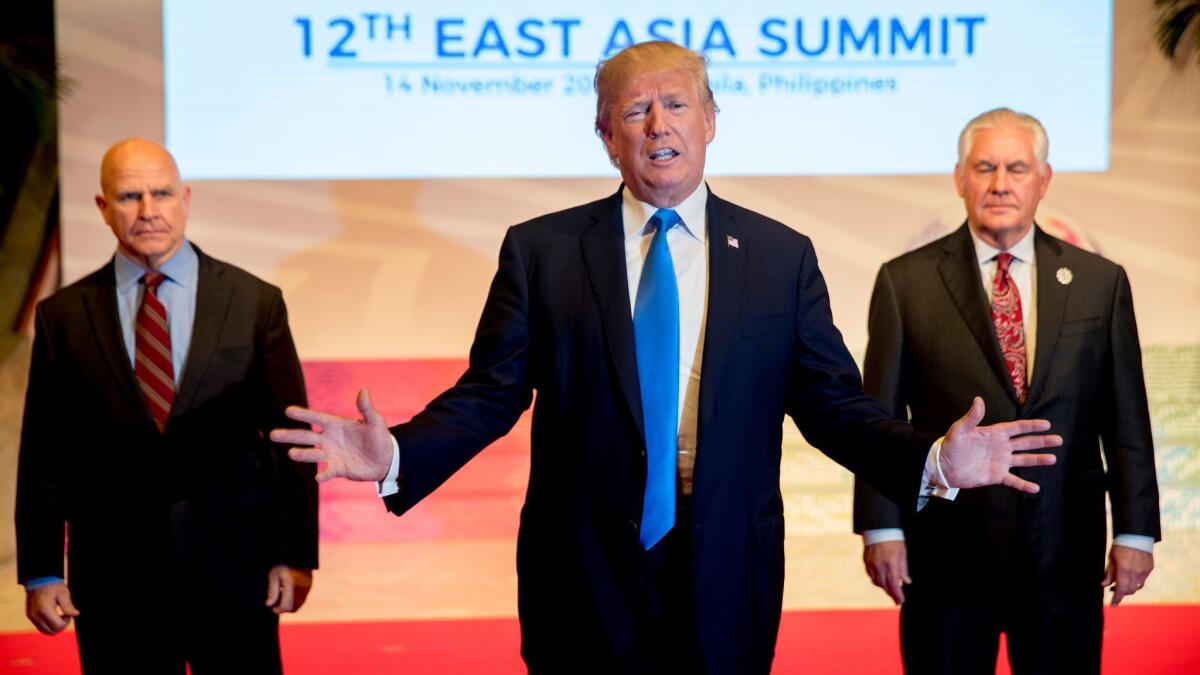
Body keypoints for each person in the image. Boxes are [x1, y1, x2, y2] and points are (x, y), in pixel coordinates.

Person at [272, 44, 1059, 675]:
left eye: (676, 104)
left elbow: (833, 407)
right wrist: (398, 453)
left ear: (711, 119)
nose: (658, 125)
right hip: (580, 569)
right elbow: (491, 392)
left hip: (724, 566)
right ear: (605, 135)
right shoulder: (543, 252)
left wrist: (933, 460)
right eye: (635, 110)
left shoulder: (780, 257)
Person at [852, 108, 1161, 674]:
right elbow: (880, 417)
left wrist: (1137, 531)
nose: (1000, 183)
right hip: (946, 556)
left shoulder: (1101, 281)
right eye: (985, 167)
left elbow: (1126, 419)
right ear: (959, 178)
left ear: (1042, 180)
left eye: (1017, 168)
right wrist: (882, 526)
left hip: (1064, 553)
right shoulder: (905, 281)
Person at [16, 138, 319, 674]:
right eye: (130, 196)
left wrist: (295, 555)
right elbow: (45, 452)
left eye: (161, 193)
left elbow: (288, 440)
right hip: (112, 580)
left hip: (236, 570)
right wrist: (41, 571)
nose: (149, 210)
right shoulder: (63, 316)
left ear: (185, 198)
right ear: (103, 208)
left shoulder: (254, 302)